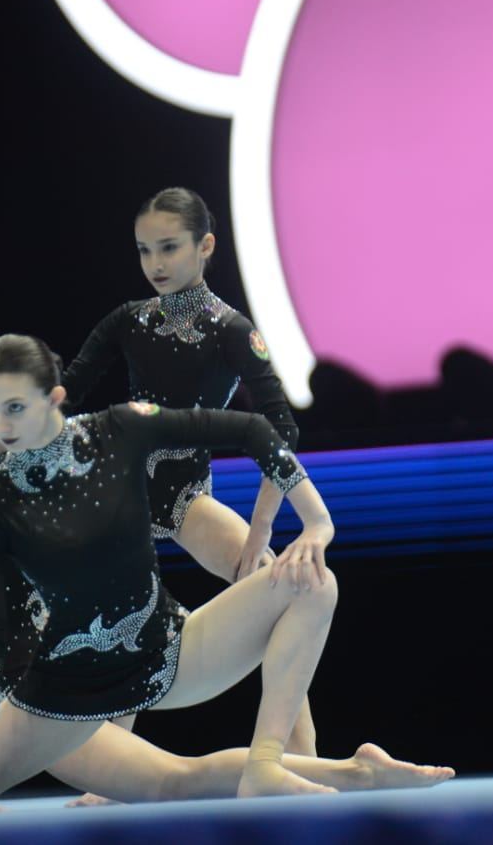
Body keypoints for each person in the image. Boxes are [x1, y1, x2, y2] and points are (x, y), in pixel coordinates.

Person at [0, 335, 453, 817]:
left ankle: (276, 762)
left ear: (53, 399)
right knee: (174, 782)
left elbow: (254, 428)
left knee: (314, 581)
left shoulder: (116, 429)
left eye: (5, 410)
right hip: (54, 699)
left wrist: (316, 522)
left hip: (163, 650)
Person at [60, 187, 318, 753]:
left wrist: (263, 526)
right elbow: (66, 393)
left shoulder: (229, 329)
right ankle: (117, 773)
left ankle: (300, 755)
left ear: (205, 246)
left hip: (183, 496)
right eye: (144, 250)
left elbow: (281, 429)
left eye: (169, 248)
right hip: (121, 493)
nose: (155, 263)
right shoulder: (126, 321)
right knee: (116, 623)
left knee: (279, 591)